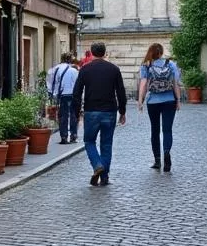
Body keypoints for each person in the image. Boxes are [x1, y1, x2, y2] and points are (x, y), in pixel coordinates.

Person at [72, 42, 127, 186]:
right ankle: (104, 177)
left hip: (91, 111)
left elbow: (76, 92)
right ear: (104, 52)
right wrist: (122, 111)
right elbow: (121, 92)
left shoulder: (85, 69)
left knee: (89, 141)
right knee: (106, 144)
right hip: (109, 111)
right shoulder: (114, 69)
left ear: (92, 52)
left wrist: (76, 112)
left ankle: (97, 165)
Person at [137, 43, 181, 171]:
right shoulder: (170, 64)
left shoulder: (146, 65)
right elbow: (175, 83)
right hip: (169, 100)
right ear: (161, 52)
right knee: (167, 130)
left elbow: (143, 84)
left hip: (153, 102)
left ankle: (157, 160)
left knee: (154, 131)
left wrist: (140, 100)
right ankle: (166, 152)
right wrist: (178, 100)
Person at [46, 53, 79, 144]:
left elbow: (50, 83)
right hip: (73, 95)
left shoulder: (55, 69)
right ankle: (73, 135)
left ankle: (64, 137)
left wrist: (52, 94)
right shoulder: (74, 70)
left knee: (63, 116)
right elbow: (78, 84)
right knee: (73, 115)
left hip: (62, 95)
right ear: (70, 60)